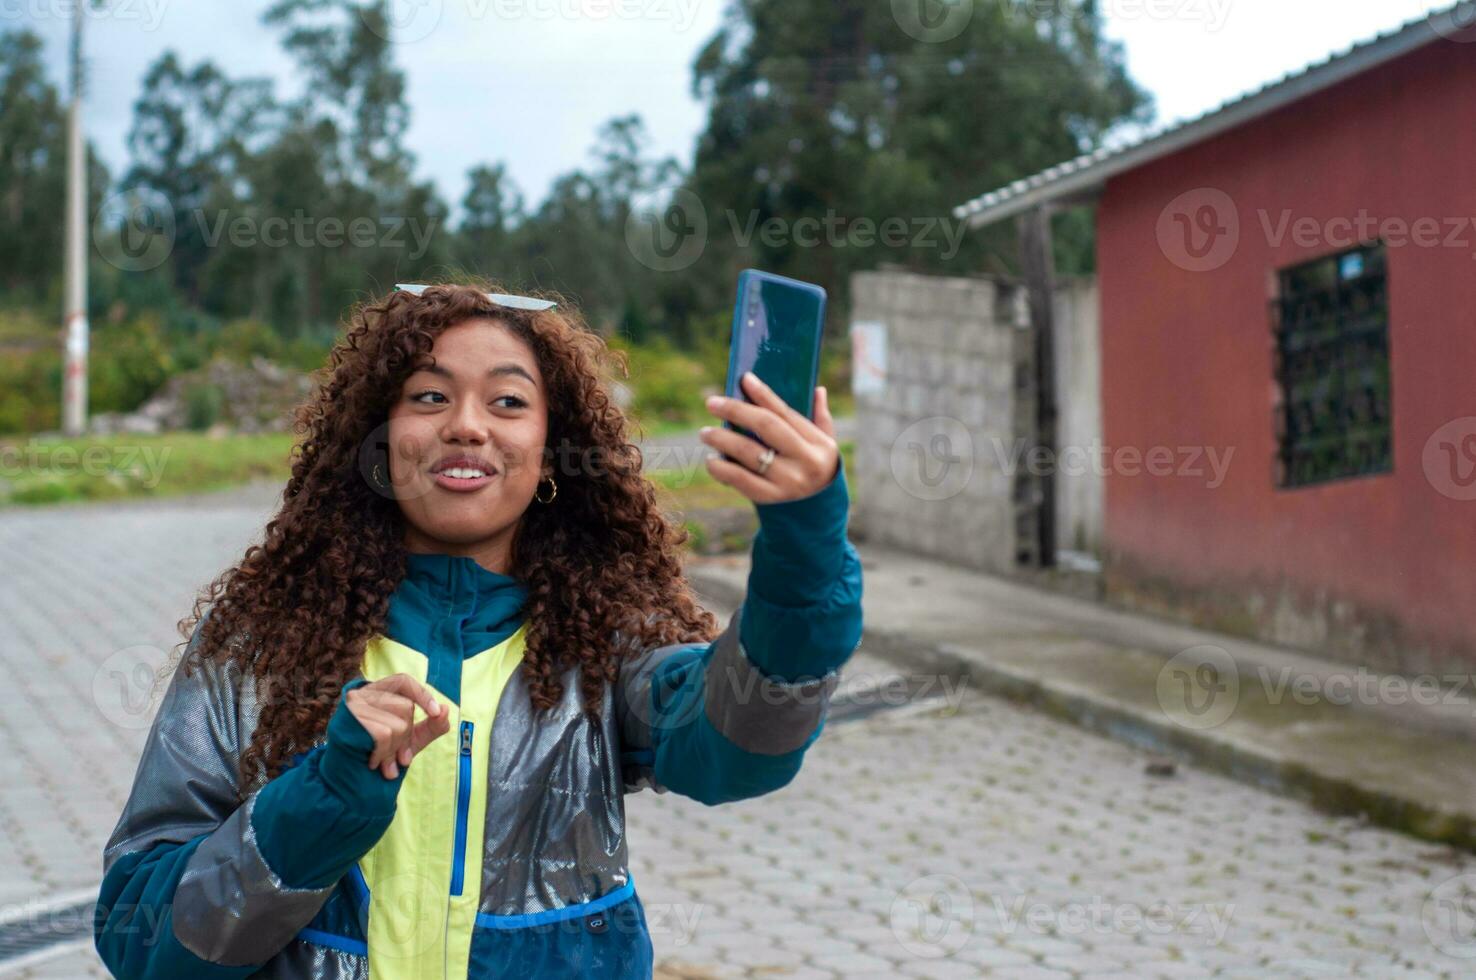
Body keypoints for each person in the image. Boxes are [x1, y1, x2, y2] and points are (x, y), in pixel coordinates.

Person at [93, 281, 864, 978]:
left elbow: (741, 751)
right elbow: (140, 933)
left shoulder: (604, 643)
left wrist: (804, 540)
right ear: (376, 438)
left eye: (507, 402)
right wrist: (323, 800)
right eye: (429, 397)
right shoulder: (257, 645)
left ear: (550, 452)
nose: (466, 426)